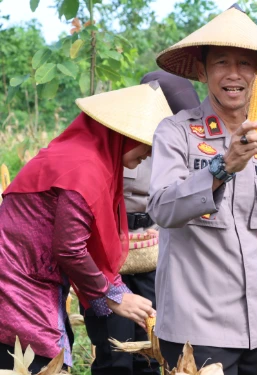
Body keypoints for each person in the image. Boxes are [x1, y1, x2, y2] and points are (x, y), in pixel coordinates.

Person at [147, 4, 257, 374]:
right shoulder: (176, 134)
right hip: (195, 329)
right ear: (202, 70)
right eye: (221, 62)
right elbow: (162, 208)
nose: (234, 75)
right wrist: (222, 168)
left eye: (245, 64)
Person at [0, 82, 172, 373]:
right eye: (146, 143)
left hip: (31, 277)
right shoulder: (84, 168)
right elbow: (69, 248)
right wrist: (114, 296)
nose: (149, 154)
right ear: (122, 135)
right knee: (41, 362)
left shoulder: (81, 156)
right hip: (20, 282)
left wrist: (115, 291)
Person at [81, 70, 201, 375]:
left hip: (152, 253)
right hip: (110, 256)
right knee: (113, 347)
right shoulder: (120, 137)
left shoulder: (184, 146)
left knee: (150, 345)